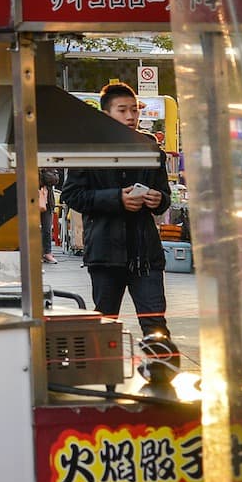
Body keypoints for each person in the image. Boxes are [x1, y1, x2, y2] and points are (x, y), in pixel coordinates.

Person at [62, 82, 172, 335]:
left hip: (145, 255)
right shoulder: (87, 149)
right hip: (105, 253)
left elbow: (164, 193)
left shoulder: (150, 146)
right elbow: (72, 195)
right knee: (105, 321)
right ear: (106, 115)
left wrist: (159, 200)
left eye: (134, 110)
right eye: (122, 110)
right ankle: (102, 373)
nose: (131, 116)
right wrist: (116, 198)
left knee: (155, 323)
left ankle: (162, 373)